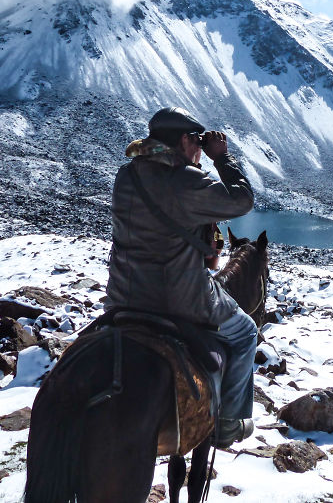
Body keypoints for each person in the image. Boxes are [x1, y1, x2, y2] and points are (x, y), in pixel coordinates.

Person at [105, 107, 257, 448]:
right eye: (197, 143)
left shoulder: (126, 175)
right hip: (179, 298)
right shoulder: (186, 180)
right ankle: (228, 424)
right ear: (185, 140)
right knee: (246, 332)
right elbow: (242, 200)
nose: (199, 150)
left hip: (124, 295)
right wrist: (222, 157)